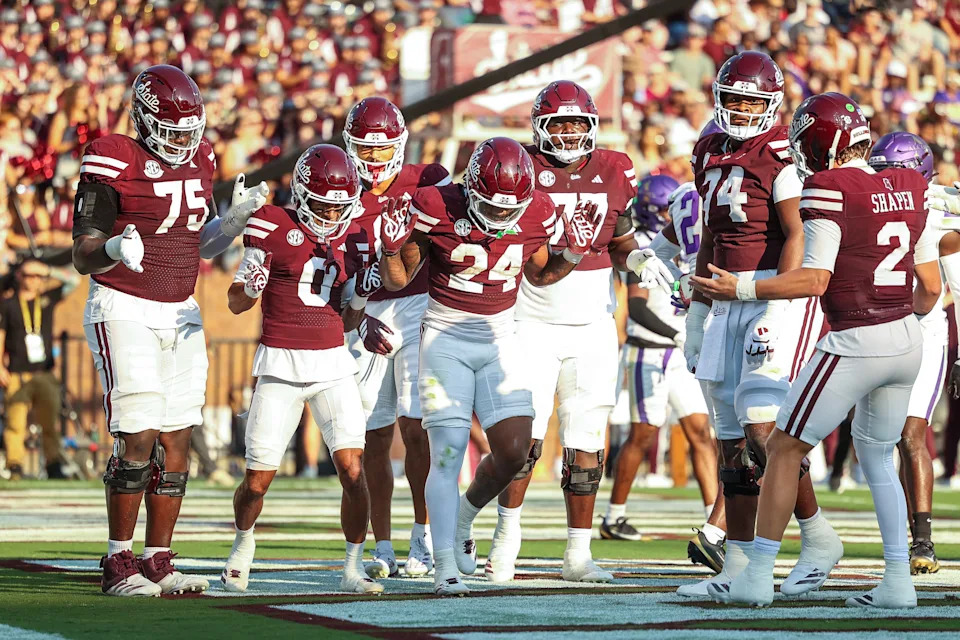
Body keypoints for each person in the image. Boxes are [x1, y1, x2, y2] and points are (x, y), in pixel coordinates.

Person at [692, 92, 945, 609]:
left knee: (784, 449)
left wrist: (743, 290)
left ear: (821, 143)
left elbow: (813, 278)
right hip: (907, 340)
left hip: (855, 340)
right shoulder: (913, 185)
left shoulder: (828, 187)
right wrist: (899, 311)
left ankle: (758, 575)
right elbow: (929, 287)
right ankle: (898, 584)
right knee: (877, 458)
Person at [71, 65, 267, 597]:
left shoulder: (202, 160)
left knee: (177, 435)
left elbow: (194, 245)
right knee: (137, 432)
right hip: (124, 304)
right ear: (143, 118)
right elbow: (82, 253)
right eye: (172, 129)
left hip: (180, 310)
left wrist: (232, 223)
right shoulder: (114, 156)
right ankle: (118, 562)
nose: (182, 139)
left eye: (189, 129)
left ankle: (157, 558)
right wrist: (113, 247)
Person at [379, 137, 594, 595]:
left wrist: (573, 254)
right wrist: (390, 248)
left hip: (501, 334)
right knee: (449, 453)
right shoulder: (436, 204)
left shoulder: (536, 210)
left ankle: (462, 517)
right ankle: (443, 569)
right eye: (491, 207)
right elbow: (400, 277)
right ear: (470, 187)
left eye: (508, 209)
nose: (499, 217)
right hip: (444, 337)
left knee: (516, 452)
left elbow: (539, 274)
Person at [678, 52, 841, 598]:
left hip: (767, 289)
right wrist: (700, 305)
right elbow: (709, 231)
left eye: (753, 100)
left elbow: (794, 231)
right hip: (723, 295)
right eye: (735, 98)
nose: (744, 109)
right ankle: (738, 566)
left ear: (771, 103)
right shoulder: (708, 149)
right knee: (729, 438)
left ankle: (816, 536)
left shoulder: (781, 154)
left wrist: (776, 300)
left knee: (761, 431)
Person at [484, 80, 648, 584]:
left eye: (579, 122)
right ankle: (505, 541)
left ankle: (578, 554)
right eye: (560, 123)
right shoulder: (521, 168)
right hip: (530, 321)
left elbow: (621, 240)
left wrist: (641, 259)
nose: (571, 132)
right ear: (540, 127)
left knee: (585, 443)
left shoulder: (615, 168)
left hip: (594, 325)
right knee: (520, 444)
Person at [222, 144, 385, 595]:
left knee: (353, 470)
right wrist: (250, 287)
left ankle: (352, 566)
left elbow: (349, 320)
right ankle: (242, 545)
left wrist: (359, 298)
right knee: (257, 480)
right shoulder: (272, 223)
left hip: (333, 361)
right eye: (324, 204)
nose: (332, 215)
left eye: (340, 206)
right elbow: (235, 303)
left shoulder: (353, 236)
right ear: (301, 193)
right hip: (279, 359)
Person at [342, 96, 450, 579]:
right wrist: (354, 314)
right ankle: (381, 544)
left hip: (419, 305)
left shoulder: (427, 181)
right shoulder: (336, 184)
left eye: (381, 149)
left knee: (418, 430)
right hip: (362, 308)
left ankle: (422, 538)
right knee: (371, 437)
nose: (372, 160)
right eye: (363, 150)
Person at [600, 175, 725, 566]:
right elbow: (636, 306)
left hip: (682, 353)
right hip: (650, 351)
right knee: (643, 435)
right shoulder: (642, 248)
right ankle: (614, 514)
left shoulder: (689, 242)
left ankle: (714, 522)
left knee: (701, 433)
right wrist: (676, 332)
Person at [868, 132, 946, 575]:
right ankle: (901, 541)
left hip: (920, 328)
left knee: (908, 436)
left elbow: (938, 286)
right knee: (882, 439)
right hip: (883, 325)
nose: (887, 182)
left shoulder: (936, 210)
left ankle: (922, 539)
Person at [0, 259, 79, 480]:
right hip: (18, 373)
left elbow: (74, 280)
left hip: (44, 374)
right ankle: (15, 465)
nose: (34, 280)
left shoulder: (46, 300)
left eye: (37, 277)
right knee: (15, 423)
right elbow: (1, 336)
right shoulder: (8, 304)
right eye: (28, 275)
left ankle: (53, 464)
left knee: (50, 423)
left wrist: (47, 269)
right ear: (19, 277)